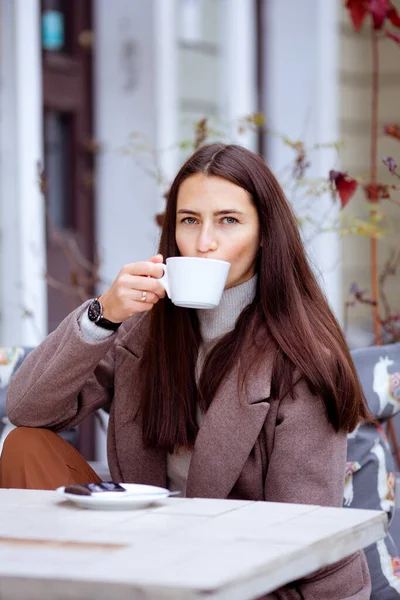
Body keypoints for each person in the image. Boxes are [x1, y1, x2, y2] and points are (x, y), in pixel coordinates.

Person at [1, 143, 372, 598]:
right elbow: (26, 408)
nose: (204, 243)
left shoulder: (303, 358)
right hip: (145, 553)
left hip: (260, 577)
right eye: (190, 220)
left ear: (264, 235)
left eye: (228, 221)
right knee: (26, 445)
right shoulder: (140, 330)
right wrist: (104, 315)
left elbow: (300, 534)